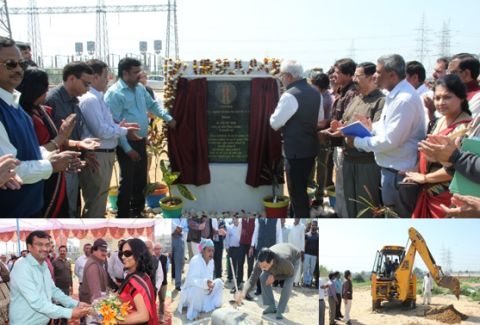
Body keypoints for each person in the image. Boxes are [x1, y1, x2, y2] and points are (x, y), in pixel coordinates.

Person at [0, 37, 80, 217]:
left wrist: (52, 155)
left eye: (22, 63)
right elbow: (10, 170)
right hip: (10, 213)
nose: (19, 69)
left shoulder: (15, 104)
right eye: (10, 64)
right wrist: (50, 165)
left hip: (30, 207)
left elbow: (27, 153)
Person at [346, 54, 425, 218]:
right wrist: (371, 127)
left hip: (398, 172)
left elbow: (391, 140)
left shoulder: (403, 100)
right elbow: (387, 128)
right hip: (392, 169)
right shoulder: (396, 95)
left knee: (397, 216)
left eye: (379, 72)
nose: (375, 75)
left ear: (392, 75)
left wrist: (359, 142)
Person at [17, 67, 96, 217]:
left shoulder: (41, 110)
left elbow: (56, 141)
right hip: (41, 174)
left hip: (54, 170)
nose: (47, 92)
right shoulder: (26, 114)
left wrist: (77, 144)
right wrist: (61, 138)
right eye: (45, 88)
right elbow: (34, 151)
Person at [105, 58, 176, 218]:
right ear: (124, 73)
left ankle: (138, 211)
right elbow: (114, 123)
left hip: (140, 141)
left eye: (140, 71)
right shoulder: (115, 93)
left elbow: (152, 105)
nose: (140, 75)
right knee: (127, 181)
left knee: (140, 180)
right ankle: (123, 216)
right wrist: (127, 149)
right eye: (136, 72)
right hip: (126, 143)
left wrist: (167, 118)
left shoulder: (139, 89)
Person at [404, 75, 472, 218]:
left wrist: (426, 178)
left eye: (447, 97)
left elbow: (458, 169)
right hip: (425, 191)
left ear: (461, 98)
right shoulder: (436, 122)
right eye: (437, 98)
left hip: (447, 198)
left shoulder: (466, 129)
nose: (441, 102)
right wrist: (415, 171)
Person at [79, 59, 140, 217]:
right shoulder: (90, 100)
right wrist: (124, 131)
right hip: (98, 154)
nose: (109, 79)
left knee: (99, 200)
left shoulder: (97, 97)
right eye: (106, 76)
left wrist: (119, 126)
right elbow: (102, 131)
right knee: (96, 202)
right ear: (96, 77)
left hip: (104, 152)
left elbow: (106, 124)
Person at [328, 62, 384, 218]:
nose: (354, 80)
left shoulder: (381, 101)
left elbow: (377, 132)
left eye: (358, 76)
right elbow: (345, 121)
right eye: (354, 76)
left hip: (367, 163)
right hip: (348, 159)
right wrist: (340, 128)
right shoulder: (356, 99)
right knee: (350, 203)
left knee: (366, 206)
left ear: (372, 78)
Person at [270, 60, 324, 219]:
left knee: (296, 192)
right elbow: (319, 118)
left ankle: (300, 220)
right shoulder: (315, 92)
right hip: (310, 148)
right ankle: (297, 216)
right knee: (301, 188)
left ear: (288, 75)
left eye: (281, 75)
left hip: (295, 150)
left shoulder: (290, 95)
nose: (281, 78)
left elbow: (275, 123)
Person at [9, 230, 90, 325]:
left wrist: (76, 304)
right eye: (39, 244)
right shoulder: (22, 268)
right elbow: (36, 302)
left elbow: (53, 290)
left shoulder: (44, 266)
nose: (44, 248)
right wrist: (69, 312)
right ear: (29, 247)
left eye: (47, 245)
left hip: (43, 320)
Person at [238, 243, 301, 320]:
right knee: (263, 276)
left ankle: (280, 310)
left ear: (271, 262)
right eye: (260, 266)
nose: (262, 269)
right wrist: (244, 292)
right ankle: (272, 306)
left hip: (293, 259)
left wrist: (274, 277)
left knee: (288, 283)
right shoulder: (261, 262)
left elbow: (291, 274)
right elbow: (252, 279)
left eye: (264, 267)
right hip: (278, 257)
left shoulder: (283, 262)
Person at [329, 58, 359, 218]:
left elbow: (348, 122)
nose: (334, 75)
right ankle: (339, 212)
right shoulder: (343, 92)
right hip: (339, 143)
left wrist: (336, 130)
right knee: (339, 183)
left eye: (338, 72)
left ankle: (344, 215)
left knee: (344, 184)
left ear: (348, 75)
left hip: (345, 145)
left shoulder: (352, 94)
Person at [177, 238, 223, 321]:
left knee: (219, 282)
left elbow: (210, 279)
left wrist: (210, 286)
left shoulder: (211, 261)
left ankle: (214, 306)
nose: (211, 253)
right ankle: (194, 312)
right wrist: (205, 283)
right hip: (191, 291)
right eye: (209, 250)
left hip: (205, 291)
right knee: (196, 289)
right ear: (202, 250)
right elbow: (191, 280)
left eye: (212, 251)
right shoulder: (195, 260)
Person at [118, 238, 159, 325]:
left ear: (138, 254)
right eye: (122, 253)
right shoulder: (137, 275)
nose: (123, 257)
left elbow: (143, 315)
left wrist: (113, 320)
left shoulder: (136, 280)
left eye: (127, 253)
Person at [310, 73, 334, 208]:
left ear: (320, 87)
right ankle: (314, 193)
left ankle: (318, 195)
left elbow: (323, 122)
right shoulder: (322, 96)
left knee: (321, 167)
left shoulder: (324, 99)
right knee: (315, 166)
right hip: (318, 134)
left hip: (322, 136)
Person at [249, 218, 282, 296]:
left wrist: (279, 249)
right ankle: (259, 289)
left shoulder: (276, 219)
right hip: (259, 247)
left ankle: (266, 290)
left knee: (268, 270)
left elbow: (278, 234)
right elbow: (256, 232)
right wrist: (252, 246)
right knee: (259, 269)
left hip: (271, 248)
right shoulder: (258, 218)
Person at [447, 53, 480, 117]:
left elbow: (468, 121)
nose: (448, 76)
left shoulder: (477, 96)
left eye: (452, 72)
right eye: (447, 72)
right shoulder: (450, 92)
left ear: (466, 73)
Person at [80, 238, 110, 305]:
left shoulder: (98, 262)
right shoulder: (93, 265)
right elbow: (95, 294)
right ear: (93, 250)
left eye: (105, 251)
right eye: (102, 250)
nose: (104, 253)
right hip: (93, 306)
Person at [406, 61, 435, 125]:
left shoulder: (429, 96)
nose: (402, 81)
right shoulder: (406, 94)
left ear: (414, 78)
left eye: (404, 77)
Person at [52, 245, 73, 325]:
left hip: (66, 288)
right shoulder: (55, 262)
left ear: (66, 252)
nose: (62, 252)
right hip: (57, 289)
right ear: (58, 252)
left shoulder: (68, 262)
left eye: (64, 251)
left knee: (65, 306)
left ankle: (64, 323)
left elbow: (70, 275)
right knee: (57, 307)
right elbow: (52, 276)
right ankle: (56, 323)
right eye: (61, 251)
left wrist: (71, 286)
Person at [237, 218, 255, 300]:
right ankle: (238, 284)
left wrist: (252, 245)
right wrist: (242, 240)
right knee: (240, 263)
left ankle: (247, 289)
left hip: (250, 245)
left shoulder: (255, 219)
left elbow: (255, 233)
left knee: (250, 266)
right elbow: (239, 232)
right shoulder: (242, 219)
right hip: (242, 244)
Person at [74, 243, 92, 325]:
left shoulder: (94, 259)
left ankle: (90, 321)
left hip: (92, 286)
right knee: (82, 304)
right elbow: (76, 272)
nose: (88, 250)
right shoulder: (79, 260)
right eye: (86, 248)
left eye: (89, 248)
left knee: (92, 303)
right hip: (82, 285)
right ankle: (82, 322)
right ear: (83, 249)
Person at [153, 243, 168, 323]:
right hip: (153, 283)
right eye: (157, 249)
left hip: (163, 282)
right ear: (154, 250)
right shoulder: (151, 258)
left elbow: (167, 269)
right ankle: (153, 316)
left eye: (160, 248)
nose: (159, 250)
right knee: (153, 300)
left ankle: (161, 317)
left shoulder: (165, 258)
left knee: (162, 300)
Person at [225, 217, 240, 293]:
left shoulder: (241, 226)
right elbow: (227, 237)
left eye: (236, 219)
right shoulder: (230, 227)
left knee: (239, 262)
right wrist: (227, 246)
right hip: (232, 248)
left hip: (240, 248)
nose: (235, 220)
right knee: (231, 263)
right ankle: (230, 277)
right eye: (234, 219)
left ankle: (238, 276)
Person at [288, 218, 305, 286]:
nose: (297, 219)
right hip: (290, 248)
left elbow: (302, 238)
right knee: (290, 264)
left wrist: (302, 250)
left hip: (298, 248)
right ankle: (289, 280)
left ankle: (296, 281)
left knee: (297, 265)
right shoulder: (290, 225)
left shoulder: (302, 226)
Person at [303, 221, 318, 288]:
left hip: (314, 255)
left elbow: (319, 247)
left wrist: (318, 256)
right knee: (305, 269)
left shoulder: (318, 235)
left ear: (316, 226)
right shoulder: (307, 235)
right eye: (313, 225)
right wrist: (303, 253)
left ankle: (309, 283)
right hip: (307, 254)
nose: (313, 226)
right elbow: (305, 245)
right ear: (311, 226)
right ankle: (305, 282)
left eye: (315, 225)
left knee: (311, 270)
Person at [171, 219, 186, 291]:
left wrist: (178, 230)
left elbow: (183, 223)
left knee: (178, 262)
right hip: (169, 235)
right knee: (166, 261)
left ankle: (178, 284)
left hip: (179, 237)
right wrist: (176, 227)